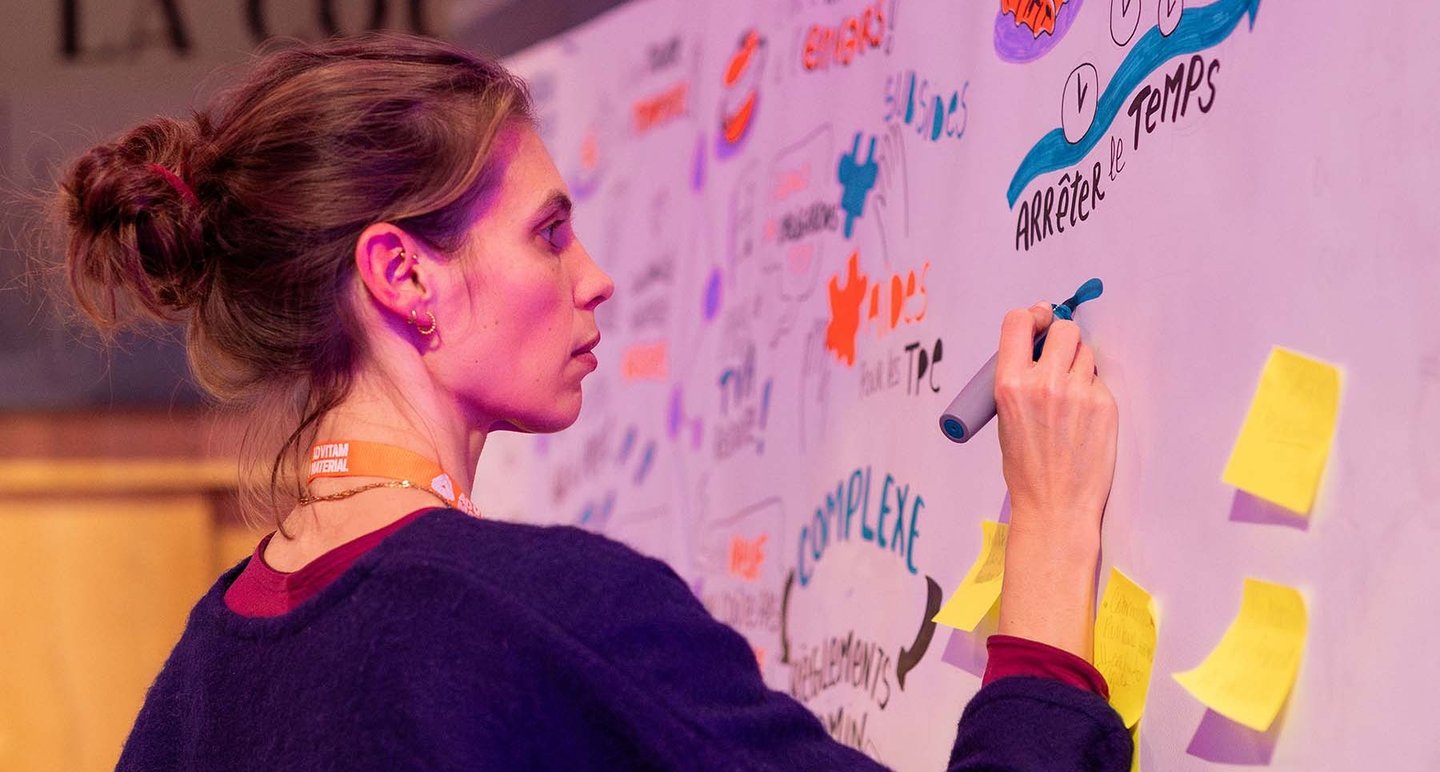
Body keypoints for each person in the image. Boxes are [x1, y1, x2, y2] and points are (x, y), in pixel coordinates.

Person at [56, 33, 1129, 771]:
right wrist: (1048, 528)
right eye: (550, 233)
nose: (597, 277)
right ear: (402, 275)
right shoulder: (547, 615)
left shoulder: (201, 676)